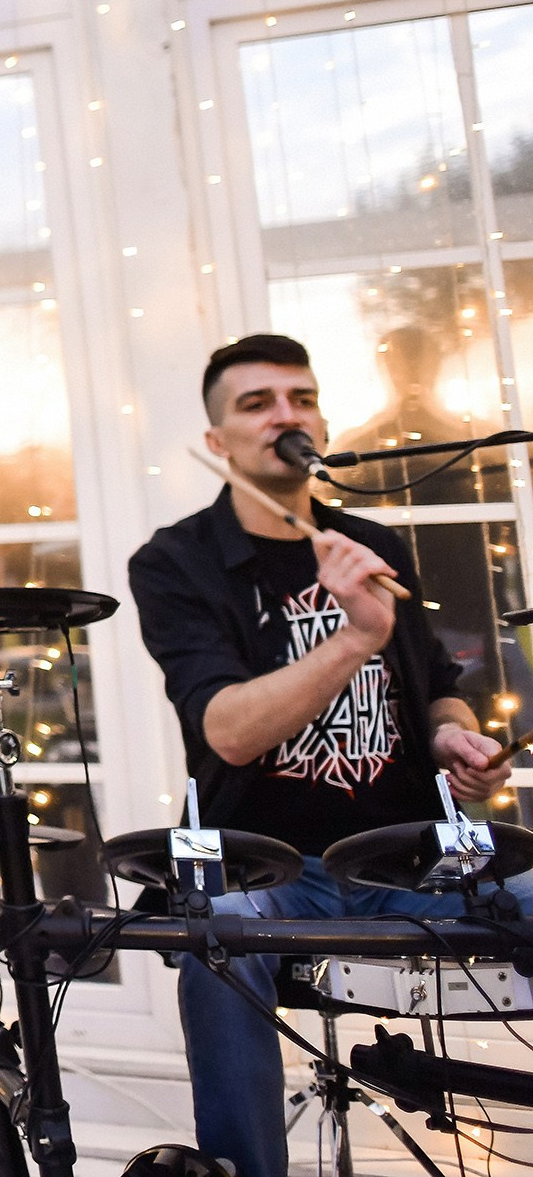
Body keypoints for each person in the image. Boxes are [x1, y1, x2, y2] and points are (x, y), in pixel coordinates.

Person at [129, 333, 511, 1177]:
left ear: (322, 422)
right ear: (218, 441)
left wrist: (455, 734)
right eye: (257, 403)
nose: (285, 415)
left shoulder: (374, 543)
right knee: (217, 938)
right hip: (271, 871)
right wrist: (352, 638)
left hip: (410, 855)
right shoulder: (175, 562)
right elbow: (226, 727)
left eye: (300, 398)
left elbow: (437, 685)